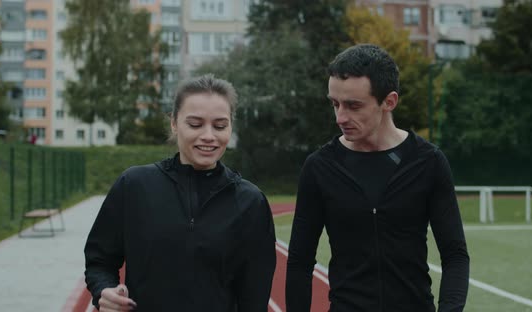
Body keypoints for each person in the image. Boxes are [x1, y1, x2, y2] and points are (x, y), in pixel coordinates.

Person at [285, 44, 469, 311]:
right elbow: (300, 261)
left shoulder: (428, 162)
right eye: (335, 104)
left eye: (353, 105)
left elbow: (455, 255)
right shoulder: (319, 167)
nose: (340, 117)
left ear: (389, 102)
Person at [84, 74, 276, 311]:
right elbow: (99, 261)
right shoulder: (134, 185)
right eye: (195, 124)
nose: (208, 136)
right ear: (174, 123)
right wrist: (104, 290)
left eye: (220, 125)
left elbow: (254, 297)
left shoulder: (251, 202)